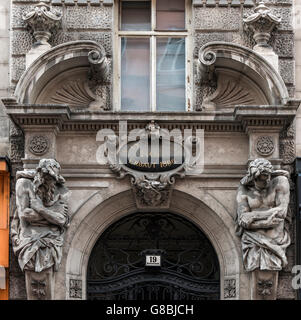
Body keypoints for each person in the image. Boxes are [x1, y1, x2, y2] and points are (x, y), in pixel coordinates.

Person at [11, 159, 69, 274]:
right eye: (48, 178)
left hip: (50, 238)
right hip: (29, 237)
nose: (51, 183)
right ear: (40, 174)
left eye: (53, 179)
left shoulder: (59, 190)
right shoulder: (24, 183)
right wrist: (53, 214)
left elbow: (62, 220)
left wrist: (39, 209)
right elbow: (25, 214)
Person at [236, 158, 291, 272]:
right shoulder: (244, 190)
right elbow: (243, 220)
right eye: (263, 180)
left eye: (269, 177)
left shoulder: (280, 181)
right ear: (254, 178)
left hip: (276, 239)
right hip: (253, 241)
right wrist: (265, 223)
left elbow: (282, 211)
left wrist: (254, 215)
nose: (268, 181)